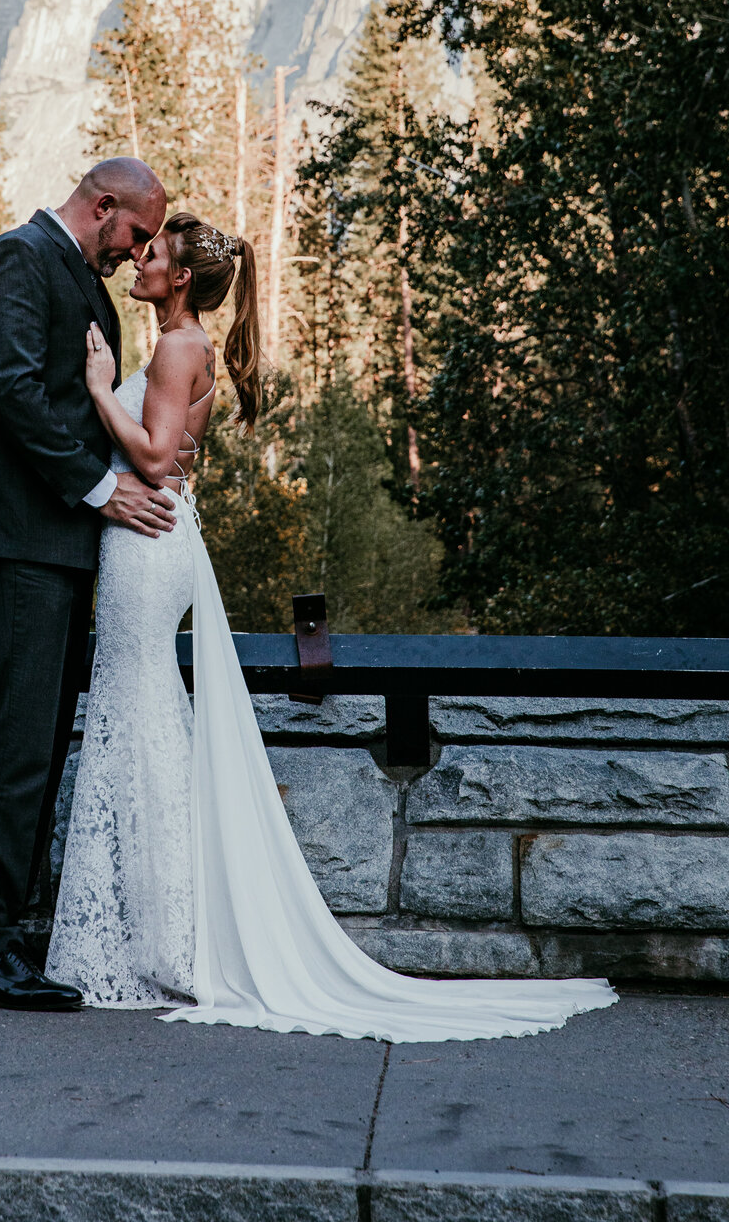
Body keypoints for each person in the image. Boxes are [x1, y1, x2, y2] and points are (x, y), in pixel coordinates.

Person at [46, 212, 619, 1041]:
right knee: (142, 721)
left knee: (138, 720)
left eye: (154, 253)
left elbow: (158, 458)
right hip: (155, 543)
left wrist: (100, 392)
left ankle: (166, 943)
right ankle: (157, 933)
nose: (138, 260)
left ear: (179, 279)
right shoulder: (181, 344)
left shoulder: (178, 347)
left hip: (149, 547)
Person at [0, 158, 171, 1010]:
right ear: (103, 205)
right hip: (19, 543)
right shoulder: (18, 257)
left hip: (61, 548)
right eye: (138, 234)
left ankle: (1, 943)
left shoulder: (78, 275)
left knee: (39, 747)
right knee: (20, 745)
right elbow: (6, 389)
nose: (138, 251)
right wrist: (102, 486)